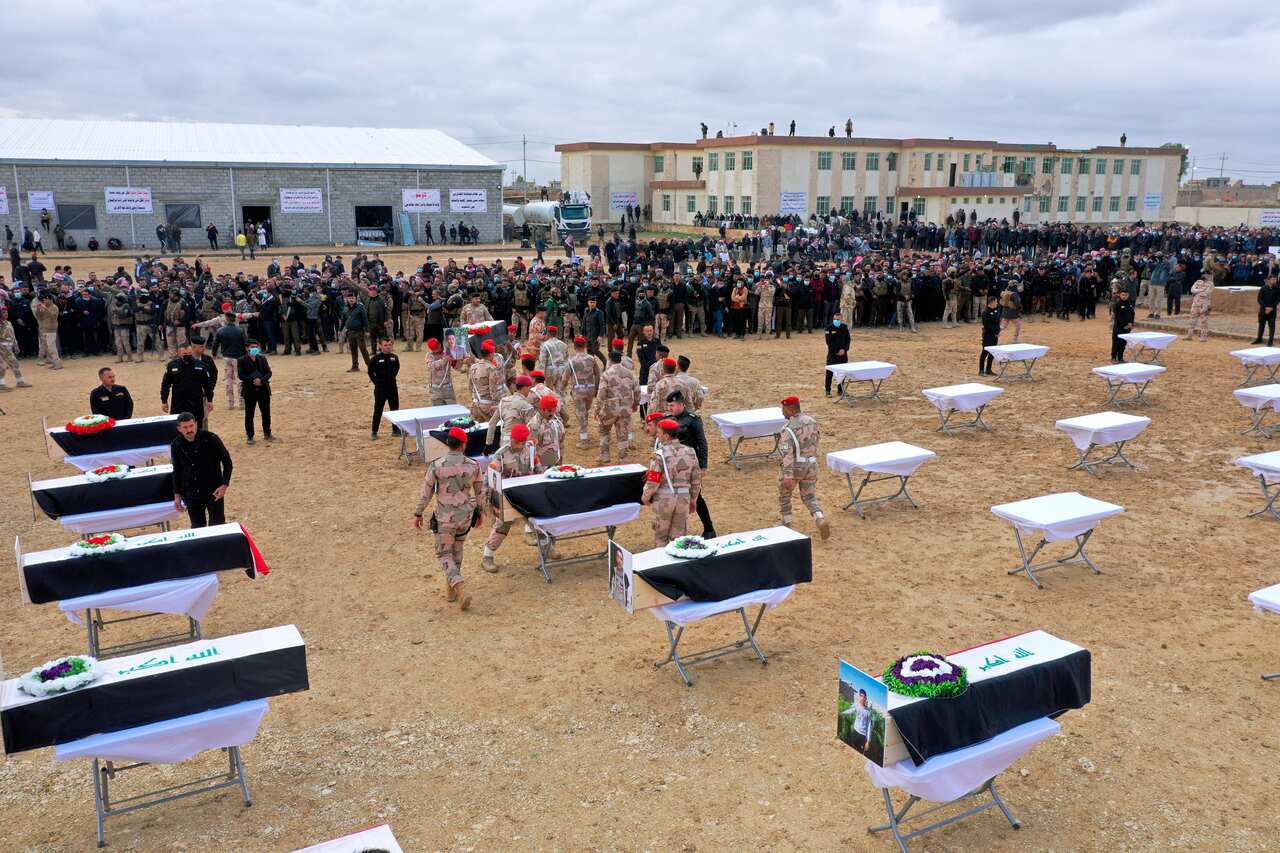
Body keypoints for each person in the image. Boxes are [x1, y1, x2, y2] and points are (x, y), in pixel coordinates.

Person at [413, 426, 484, 611]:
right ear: (463, 445)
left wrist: (418, 513)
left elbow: (426, 493)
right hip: (465, 516)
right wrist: (480, 512)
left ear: (448, 444)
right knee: (457, 550)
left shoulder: (437, 465)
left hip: (445, 518)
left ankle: (459, 586)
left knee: (444, 554)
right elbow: (480, 492)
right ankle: (451, 590)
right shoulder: (473, 465)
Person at [481, 423, 544, 572]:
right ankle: (487, 556)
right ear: (511, 439)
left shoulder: (531, 449)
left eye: (523, 442)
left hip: (528, 492)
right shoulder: (501, 454)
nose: (520, 445)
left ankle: (547, 551)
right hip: (507, 496)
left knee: (541, 521)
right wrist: (488, 499)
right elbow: (489, 478)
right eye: (517, 442)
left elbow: (538, 469)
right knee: (503, 525)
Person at [641, 418, 702, 547]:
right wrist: (693, 499)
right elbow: (696, 480)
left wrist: (646, 496)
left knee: (661, 537)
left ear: (666, 436)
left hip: (664, 500)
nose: (657, 435)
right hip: (683, 499)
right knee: (678, 540)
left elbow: (653, 480)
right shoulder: (690, 452)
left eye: (659, 433)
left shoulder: (659, 454)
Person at [778, 395, 829, 539]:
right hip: (811, 464)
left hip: (796, 467)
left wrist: (787, 475)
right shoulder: (811, 421)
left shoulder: (788, 429)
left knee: (785, 495)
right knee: (809, 496)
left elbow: (787, 454)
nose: (782, 412)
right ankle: (819, 517)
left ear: (790, 409)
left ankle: (786, 524)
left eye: (784, 409)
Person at [170, 411, 233, 528]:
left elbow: (227, 463)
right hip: (191, 493)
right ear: (179, 429)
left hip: (214, 491)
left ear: (196, 424)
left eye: (191, 426)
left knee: (218, 526)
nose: (189, 430)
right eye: (185, 427)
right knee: (197, 527)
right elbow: (177, 471)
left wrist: (224, 485)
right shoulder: (176, 444)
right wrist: (177, 495)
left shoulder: (211, 438)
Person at [665, 390, 714, 537]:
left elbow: (702, 443)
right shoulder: (668, 419)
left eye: (672, 405)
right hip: (673, 466)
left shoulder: (693, 420)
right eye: (668, 406)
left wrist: (703, 466)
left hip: (691, 466)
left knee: (696, 496)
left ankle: (709, 529)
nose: (669, 408)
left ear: (681, 404)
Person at [596, 348, 640, 462]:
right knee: (623, 433)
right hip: (625, 408)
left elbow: (601, 394)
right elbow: (637, 390)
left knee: (604, 430)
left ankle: (604, 455)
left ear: (610, 360)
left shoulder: (606, 374)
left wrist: (597, 409)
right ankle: (623, 458)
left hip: (610, 409)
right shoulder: (630, 374)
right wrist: (635, 403)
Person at [161, 342, 215, 429]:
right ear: (179, 353)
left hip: (196, 403)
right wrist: (164, 401)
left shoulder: (201, 366)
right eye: (185, 354)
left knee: (197, 427)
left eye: (189, 353)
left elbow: (208, 385)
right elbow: (165, 385)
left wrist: (210, 400)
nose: (187, 355)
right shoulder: (172, 366)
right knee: (177, 427)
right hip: (178, 403)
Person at [567, 335, 601, 445]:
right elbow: (598, 374)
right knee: (585, 411)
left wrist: (562, 387)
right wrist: (596, 387)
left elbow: (565, 377)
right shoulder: (592, 359)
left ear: (574, 346)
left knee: (581, 413)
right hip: (590, 389)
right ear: (585, 346)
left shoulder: (572, 361)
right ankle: (584, 432)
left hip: (578, 390)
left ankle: (584, 440)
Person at [238, 341, 274, 444]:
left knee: (266, 413)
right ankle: (250, 436)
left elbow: (269, 372)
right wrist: (253, 380)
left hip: (263, 390)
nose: (255, 349)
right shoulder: (241, 360)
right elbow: (241, 375)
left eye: (256, 347)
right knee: (249, 414)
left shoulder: (262, 358)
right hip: (249, 390)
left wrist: (261, 380)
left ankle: (267, 433)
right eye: (252, 347)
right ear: (247, 348)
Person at [368, 337, 401, 440]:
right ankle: (374, 432)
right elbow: (370, 372)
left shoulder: (394, 357)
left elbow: (397, 369)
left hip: (392, 387)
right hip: (380, 389)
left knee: (395, 410)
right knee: (378, 410)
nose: (388, 347)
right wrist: (377, 382)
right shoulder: (375, 359)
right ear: (380, 346)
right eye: (385, 345)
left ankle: (395, 430)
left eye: (389, 345)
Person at [214, 312, 248, 409]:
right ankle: (241, 402)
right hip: (238, 357)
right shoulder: (239, 330)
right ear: (234, 320)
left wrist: (214, 353)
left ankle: (231, 403)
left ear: (226, 320)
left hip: (226, 357)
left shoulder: (220, 330)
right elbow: (245, 343)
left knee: (228, 380)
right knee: (239, 379)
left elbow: (215, 344)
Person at [0, 305, 32, 390]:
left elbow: (13, 336)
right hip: (2, 348)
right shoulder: (2, 324)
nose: (6, 313)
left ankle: (16, 382)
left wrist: (16, 345)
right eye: (3, 312)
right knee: (6, 365)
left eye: (6, 312)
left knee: (12, 364)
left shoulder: (8, 323)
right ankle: (17, 382)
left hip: (8, 347)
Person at [824, 311, 850, 397]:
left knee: (842, 373)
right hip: (833, 355)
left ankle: (840, 390)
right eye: (835, 319)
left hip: (843, 355)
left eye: (838, 319)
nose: (836, 321)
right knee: (829, 373)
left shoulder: (844, 327)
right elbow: (829, 342)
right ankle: (827, 390)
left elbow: (848, 340)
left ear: (841, 319)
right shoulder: (828, 328)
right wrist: (837, 351)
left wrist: (844, 350)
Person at [425, 337, 458, 405]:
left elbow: (457, 367)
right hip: (435, 389)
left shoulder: (446, 353)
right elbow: (432, 366)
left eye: (436, 348)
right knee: (438, 409)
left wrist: (455, 359)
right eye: (433, 349)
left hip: (448, 388)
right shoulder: (429, 355)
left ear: (439, 344)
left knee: (452, 409)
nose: (435, 351)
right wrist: (445, 359)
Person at [1184, 273, 1214, 342]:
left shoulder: (1210, 284)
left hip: (1204, 305)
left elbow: (1206, 293)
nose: (1205, 275)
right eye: (1204, 274)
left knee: (1204, 321)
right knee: (1192, 320)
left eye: (1207, 274)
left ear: (1209, 276)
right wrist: (1201, 290)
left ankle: (1203, 337)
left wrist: (1197, 291)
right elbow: (1192, 290)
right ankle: (1189, 335)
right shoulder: (1198, 282)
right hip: (1195, 303)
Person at [978, 295, 1001, 376]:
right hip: (988, 335)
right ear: (992, 302)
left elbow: (998, 322)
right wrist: (995, 332)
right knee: (985, 352)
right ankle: (981, 370)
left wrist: (998, 331)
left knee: (992, 352)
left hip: (995, 335)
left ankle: (988, 369)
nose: (997, 303)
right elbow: (987, 325)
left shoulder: (996, 310)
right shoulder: (985, 312)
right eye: (996, 302)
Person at [1253, 275, 1279, 346]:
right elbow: (1259, 299)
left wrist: (1271, 307)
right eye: (1273, 279)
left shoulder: (1277, 289)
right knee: (1261, 325)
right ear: (1269, 280)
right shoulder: (1263, 288)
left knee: (1272, 326)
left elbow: (1278, 300)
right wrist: (1265, 307)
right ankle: (1259, 339)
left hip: (1272, 310)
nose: (1275, 281)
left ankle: (1270, 341)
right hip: (1263, 310)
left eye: (1275, 279)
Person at [1110, 289, 1135, 363]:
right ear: (1120, 295)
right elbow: (1118, 317)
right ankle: (1113, 358)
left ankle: (1120, 358)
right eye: (1123, 295)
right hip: (1118, 328)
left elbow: (1132, 314)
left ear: (1128, 295)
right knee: (1116, 343)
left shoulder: (1129, 304)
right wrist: (1125, 325)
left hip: (1127, 328)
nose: (1124, 296)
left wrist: (1131, 323)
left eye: (1126, 295)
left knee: (1123, 343)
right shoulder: (1117, 305)